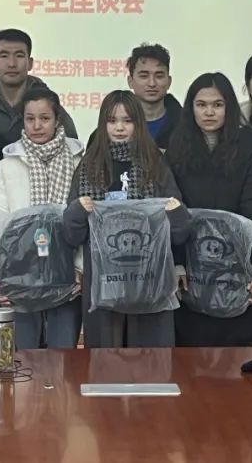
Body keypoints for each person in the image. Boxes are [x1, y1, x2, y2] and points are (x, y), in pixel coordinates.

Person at [62, 91, 190, 348]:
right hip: (104, 284)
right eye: (112, 121)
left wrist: (175, 213)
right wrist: (77, 211)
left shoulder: (155, 163)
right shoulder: (88, 166)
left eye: (127, 121)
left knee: (151, 362)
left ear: (138, 124)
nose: (119, 127)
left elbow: (180, 232)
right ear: (102, 124)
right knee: (105, 363)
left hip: (149, 279)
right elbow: (71, 235)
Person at [166, 72, 252, 346]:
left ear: (229, 108)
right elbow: (172, 211)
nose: (209, 112)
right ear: (191, 108)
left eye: (217, 105)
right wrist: (177, 264)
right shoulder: (176, 147)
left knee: (239, 356)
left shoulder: (247, 146)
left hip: (236, 267)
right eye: (201, 105)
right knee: (191, 358)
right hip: (191, 269)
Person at [0, 87, 85, 349]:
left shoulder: (79, 163)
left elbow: (87, 222)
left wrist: (81, 269)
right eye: (30, 119)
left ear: (58, 120)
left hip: (66, 277)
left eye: (45, 118)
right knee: (23, 361)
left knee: (63, 360)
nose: (37, 126)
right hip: (20, 278)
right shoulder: (6, 166)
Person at [0, 28, 77, 155]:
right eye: (4, 56)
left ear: (30, 63)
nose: (12, 64)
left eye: (19, 55)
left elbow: (72, 149)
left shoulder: (50, 107)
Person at [126, 43, 182, 150]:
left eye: (159, 76)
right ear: (130, 81)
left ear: (169, 81)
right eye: (144, 76)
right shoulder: (113, 128)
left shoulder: (187, 126)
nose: (152, 83)